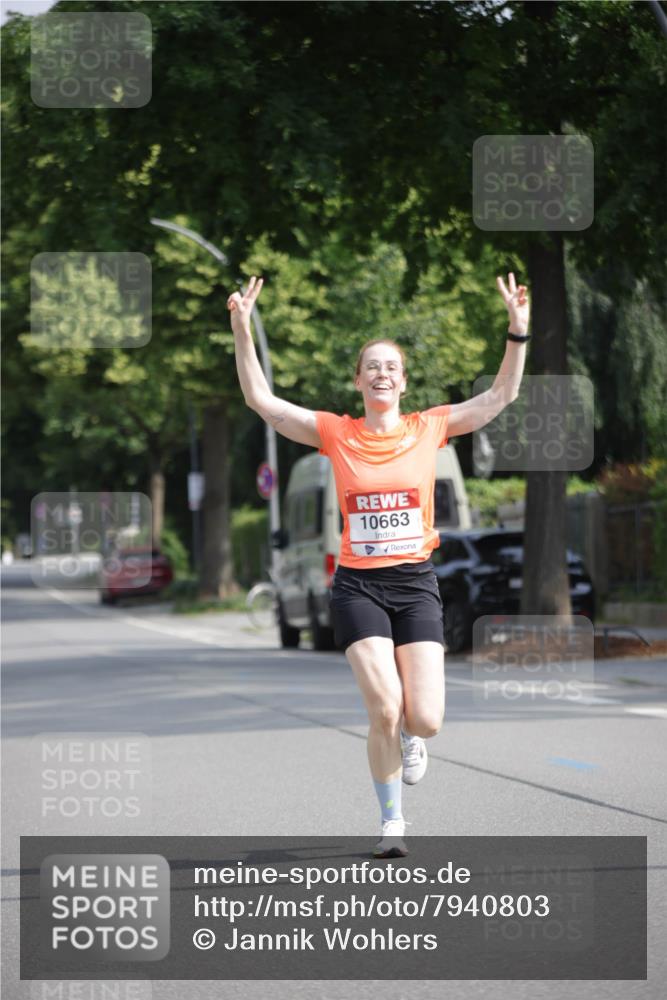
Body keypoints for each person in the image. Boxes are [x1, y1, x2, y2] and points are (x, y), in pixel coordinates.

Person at [228, 273, 530, 857]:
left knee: (427, 718)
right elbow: (261, 402)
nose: (382, 374)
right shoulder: (336, 434)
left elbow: (499, 398)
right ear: (358, 381)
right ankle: (392, 821)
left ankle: (415, 740)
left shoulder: (429, 428)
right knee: (384, 708)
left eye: (391, 367)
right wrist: (243, 331)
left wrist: (517, 331)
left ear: (404, 381)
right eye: (372, 367)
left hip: (415, 584)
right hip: (358, 587)